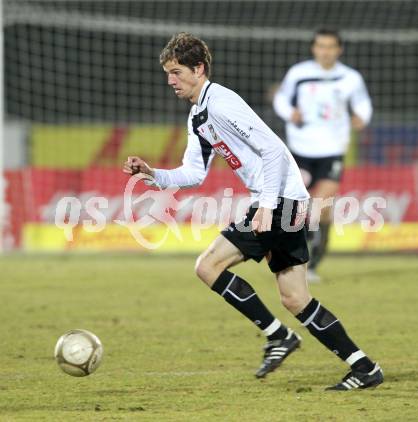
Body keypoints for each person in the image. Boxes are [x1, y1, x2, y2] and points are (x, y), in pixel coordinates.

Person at [123, 32, 382, 390]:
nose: (171, 80)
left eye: (177, 72)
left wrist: (266, 205)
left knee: (208, 266)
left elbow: (274, 151)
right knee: (295, 297)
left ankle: (279, 336)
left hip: (279, 201)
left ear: (198, 69)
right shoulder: (199, 115)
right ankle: (364, 368)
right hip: (282, 200)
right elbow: (194, 173)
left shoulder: (221, 103)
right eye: (168, 73)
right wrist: (153, 174)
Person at [273, 28, 373, 283]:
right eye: (321, 46)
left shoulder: (350, 78)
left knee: (321, 206)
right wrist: (289, 113)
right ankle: (289, 254)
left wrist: (362, 116)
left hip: (332, 150)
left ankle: (312, 264)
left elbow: (363, 103)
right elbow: (281, 99)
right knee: (294, 205)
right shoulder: (299, 73)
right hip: (300, 149)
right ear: (314, 48)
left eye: (330, 46)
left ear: (339, 50)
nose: (325, 51)